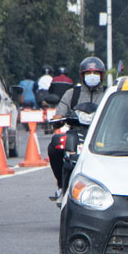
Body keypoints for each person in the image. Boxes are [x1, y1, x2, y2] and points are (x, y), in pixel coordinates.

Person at [47, 57, 108, 197]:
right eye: (88, 73)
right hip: (75, 134)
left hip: (103, 135)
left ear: (102, 75)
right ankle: (62, 184)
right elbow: (60, 113)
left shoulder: (108, 93)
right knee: (54, 146)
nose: (92, 76)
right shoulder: (72, 94)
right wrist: (58, 118)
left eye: (96, 73)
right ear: (82, 75)